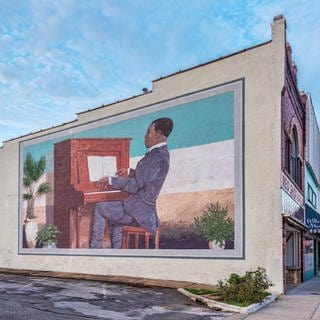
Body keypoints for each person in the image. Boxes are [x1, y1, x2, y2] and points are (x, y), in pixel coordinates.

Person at [90, 117, 174, 249]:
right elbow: (147, 177)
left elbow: (135, 185)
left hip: (139, 213)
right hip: (140, 209)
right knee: (115, 211)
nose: (145, 136)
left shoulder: (157, 156)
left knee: (101, 207)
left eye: (148, 132)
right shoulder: (161, 154)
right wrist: (130, 171)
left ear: (158, 134)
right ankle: (116, 251)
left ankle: (94, 250)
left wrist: (110, 180)